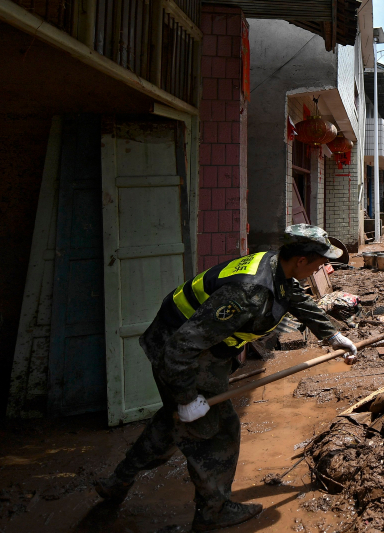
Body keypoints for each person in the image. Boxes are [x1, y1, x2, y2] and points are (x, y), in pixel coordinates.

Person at [94, 225, 357, 530]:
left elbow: (294, 297)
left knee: (173, 422)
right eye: (319, 261)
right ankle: (212, 512)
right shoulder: (249, 292)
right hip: (181, 351)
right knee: (216, 431)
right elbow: (180, 349)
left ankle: (118, 481)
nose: (322, 268)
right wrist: (187, 398)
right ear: (300, 260)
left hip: (198, 347)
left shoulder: (275, 264)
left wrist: (332, 335)